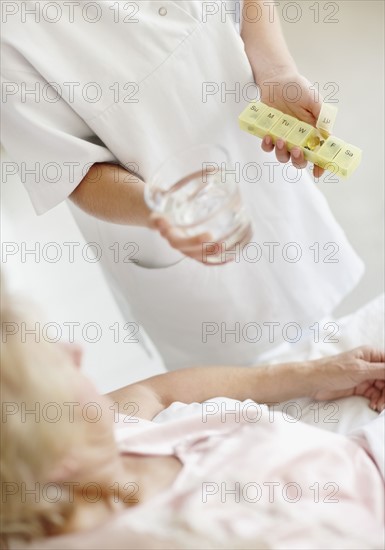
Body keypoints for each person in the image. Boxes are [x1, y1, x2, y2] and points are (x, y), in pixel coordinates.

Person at [1, 1, 364, 369]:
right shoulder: (9, 35)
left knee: (326, 339)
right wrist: (160, 209)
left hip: (260, 170)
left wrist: (278, 73)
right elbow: (72, 171)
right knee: (248, 386)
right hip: (169, 238)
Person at [1, 290, 384, 549]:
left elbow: (159, 392)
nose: (76, 351)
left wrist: (314, 375)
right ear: (53, 452)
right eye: (55, 366)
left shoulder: (96, 439)